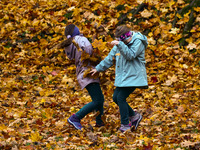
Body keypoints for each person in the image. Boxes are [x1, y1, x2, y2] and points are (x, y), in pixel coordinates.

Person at [91, 25, 148, 132]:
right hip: (124, 77)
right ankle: (134, 116)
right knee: (115, 97)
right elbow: (109, 58)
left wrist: (120, 44)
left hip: (135, 77)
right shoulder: (120, 44)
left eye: (123, 40)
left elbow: (130, 55)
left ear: (128, 36)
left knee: (121, 97)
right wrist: (98, 69)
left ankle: (125, 124)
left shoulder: (138, 42)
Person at [62, 24, 105, 130]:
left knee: (99, 98)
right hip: (88, 71)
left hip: (82, 72)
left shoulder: (70, 43)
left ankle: (100, 122)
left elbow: (71, 56)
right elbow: (89, 51)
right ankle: (76, 117)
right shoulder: (81, 39)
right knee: (98, 100)